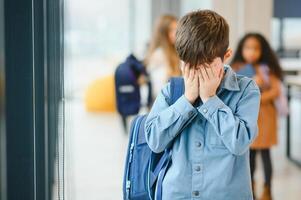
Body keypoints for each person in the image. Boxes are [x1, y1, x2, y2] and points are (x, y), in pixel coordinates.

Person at [144, 10, 260, 200]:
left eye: (205, 64)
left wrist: (210, 100)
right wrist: (187, 99)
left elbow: (240, 143)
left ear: (226, 55)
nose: (197, 72)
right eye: (189, 65)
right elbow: (154, 142)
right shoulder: (172, 90)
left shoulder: (246, 90)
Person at [231, 33, 283, 200]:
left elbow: (276, 91)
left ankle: (267, 190)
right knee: (249, 157)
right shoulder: (237, 68)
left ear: (263, 50)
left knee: (266, 156)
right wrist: (254, 86)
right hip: (247, 118)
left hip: (266, 119)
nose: (251, 52)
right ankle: (250, 189)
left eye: (256, 48)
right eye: (248, 48)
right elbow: (233, 92)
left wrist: (259, 92)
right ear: (241, 49)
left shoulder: (267, 68)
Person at [144, 15, 181, 99]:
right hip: (163, 103)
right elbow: (159, 91)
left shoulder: (175, 52)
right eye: (172, 30)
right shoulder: (159, 55)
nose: (176, 33)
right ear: (163, 34)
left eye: (177, 29)